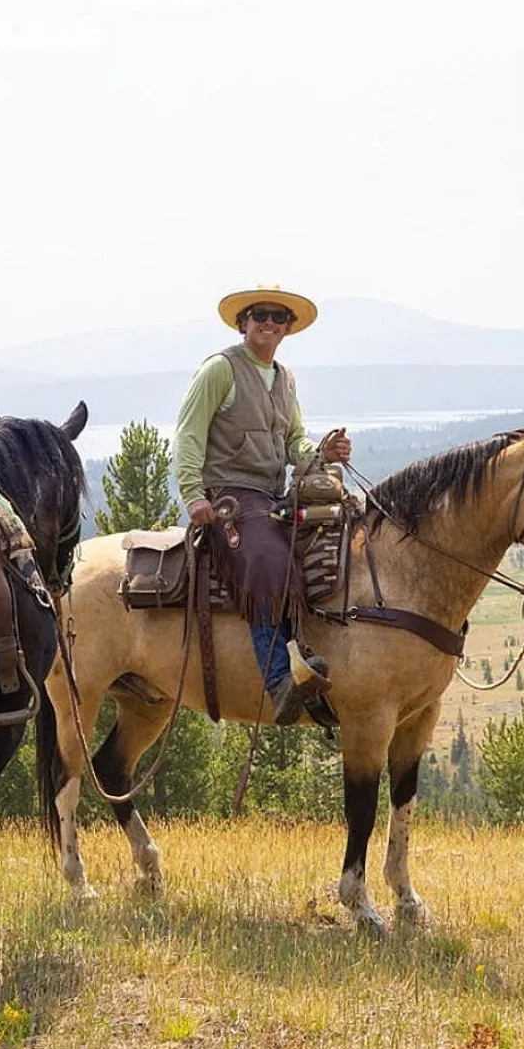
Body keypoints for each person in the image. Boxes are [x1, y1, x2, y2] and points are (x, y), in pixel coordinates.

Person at [173, 284, 352, 726]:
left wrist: (322, 452)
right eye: (259, 315)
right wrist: (193, 494)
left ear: (288, 329)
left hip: (271, 494)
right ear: (243, 323)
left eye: (278, 317)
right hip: (229, 494)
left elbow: (293, 441)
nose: (268, 323)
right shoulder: (220, 369)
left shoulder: (285, 379)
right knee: (269, 563)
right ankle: (280, 680)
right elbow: (189, 433)